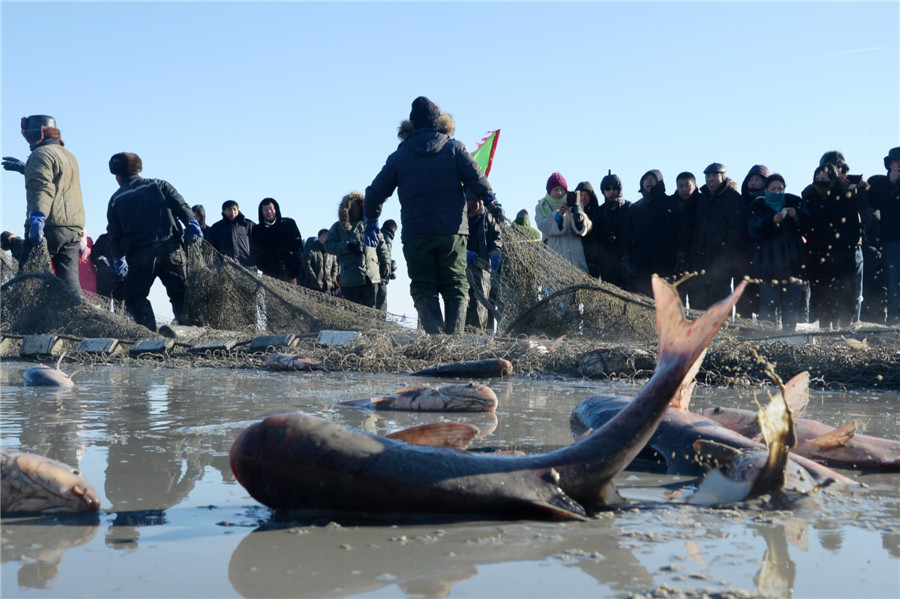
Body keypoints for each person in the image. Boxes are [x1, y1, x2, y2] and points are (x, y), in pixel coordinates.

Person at [363, 96, 498, 334]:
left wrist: (372, 221)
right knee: (456, 284)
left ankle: (437, 340)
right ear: (438, 122)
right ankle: (453, 341)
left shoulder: (400, 156)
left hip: (417, 234)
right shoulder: (454, 148)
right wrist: (492, 201)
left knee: (424, 287)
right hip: (452, 232)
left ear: (411, 125)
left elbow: (375, 193)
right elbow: (477, 179)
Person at [105, 152, 203, 331]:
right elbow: (181, 205)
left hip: (140, 257)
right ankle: (190, 334)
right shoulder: (159, 185)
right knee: (181, 295)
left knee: (135, 297)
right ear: (138, 169)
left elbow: (114, 235)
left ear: (118, 176)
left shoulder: (115, 200)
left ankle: (148, 336)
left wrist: (119, 258)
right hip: (171, 250)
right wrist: (192, 223)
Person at [3, 115, 85, 297]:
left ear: (35, 134)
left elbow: (43, 187)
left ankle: (30, 325)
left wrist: (38, 217)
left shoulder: (40, 155)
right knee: (70, 288)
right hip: (72, 230)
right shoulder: (68, 155)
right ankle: (76, 321)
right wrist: (27, 169)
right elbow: (58, 182)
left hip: (49, 227)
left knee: (27, 283)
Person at [801, 163, 863, 329]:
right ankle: (824, 331)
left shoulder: (843, 195)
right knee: (821, 296)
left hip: (842, 254)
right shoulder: (808, 196)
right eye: (818, 177)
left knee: (843, 294)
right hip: (817, 254)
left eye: (825, 177)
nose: (821, 180)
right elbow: (806, 224)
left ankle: (844, 331)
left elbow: (852, 223)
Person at [746, 174, 808, 331]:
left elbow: (809, 226)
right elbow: (753, 229)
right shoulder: (758, 205)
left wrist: (797, 217)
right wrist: (771, 222)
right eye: (772, 189)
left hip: (792, 263)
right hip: (767, 263)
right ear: (766, 189)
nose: (777, 192)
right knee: (768, 304)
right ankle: (767, 339)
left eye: (780, 188)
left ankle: (789, 337)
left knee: (791, 304)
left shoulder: (795, 202)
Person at [621, 170, 687, 297]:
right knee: (644, 308)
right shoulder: (635, 209)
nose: (649, 181)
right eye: (646, 179)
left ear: (660, 182)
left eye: (653, 178)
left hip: (666, 267)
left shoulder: (672, 204)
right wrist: (625, 258)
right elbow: (626, 237)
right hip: (641, 269)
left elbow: (682, 234)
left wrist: (681, 255)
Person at [689, 162, 745, 310]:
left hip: (722, 259)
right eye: (707, 176)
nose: (710, 180)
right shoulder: (702, 198)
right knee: (698, 296)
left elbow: (736, 229)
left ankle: (722, 330)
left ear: (723, 177)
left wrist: (724, 251)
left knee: (719, 296)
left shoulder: (733, 198)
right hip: (701, 256)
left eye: (714, 176)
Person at [326, 192, 390, 308]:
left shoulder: (370, 226)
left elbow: (381, 245)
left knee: (370, 312)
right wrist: (347, 247)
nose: (355, 210)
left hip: (371, 276)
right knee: (352, 313)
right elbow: (329, 246)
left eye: (358, 207)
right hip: (350, 279)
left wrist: (386, 263)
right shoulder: (338, 227)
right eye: (352, 207)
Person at [866, 146, 900, 324]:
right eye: (897, 162)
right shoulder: (880, 182)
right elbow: (874, 204)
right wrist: (891, 183)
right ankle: (894, 328)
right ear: (890, 164)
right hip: (891, 242)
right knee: (894, 290)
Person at [534, 172, 592, 272]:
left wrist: (579, 217)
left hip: (576, 259)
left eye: (562, 189)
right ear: (549, 191)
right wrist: (558, 216)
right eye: (556, 189)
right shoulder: (542, 206)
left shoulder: (575, 204)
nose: (559, 192)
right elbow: (542, 225)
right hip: (554, 259)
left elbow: (587, 227)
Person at [465, 190, 502, 331]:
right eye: (473, 201)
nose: (477, 204)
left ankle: (480, 337)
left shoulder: (487, 216)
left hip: (482, 269)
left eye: (480, 201)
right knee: (463, 303)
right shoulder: (457, 216)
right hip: (462, 267)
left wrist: (495, 251)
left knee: (481, 305)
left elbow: (496, 237)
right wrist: (462, 252)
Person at [737, 165, 770, 317]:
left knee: (764, 299)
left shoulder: (770, 202)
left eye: (758, 179)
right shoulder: (740, 202)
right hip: (743, 257)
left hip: (765, 256)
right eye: (751, 179)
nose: (753, 182)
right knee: (743, 298)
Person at [251, 197, 302, 283]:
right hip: (270, 273)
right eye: (265, 210)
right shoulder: (257, 230)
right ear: (261, 212)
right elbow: (256, 251)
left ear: (276, 209)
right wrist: (263, 266)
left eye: (271, 208)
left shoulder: (289, 223)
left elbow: (298, 245)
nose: (269, 212)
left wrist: (294, 262)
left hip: (291, 272)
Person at [207, 200, 255, 268]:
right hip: (226, 267)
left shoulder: (248, 225)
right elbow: (211, 247)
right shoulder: (217, 227)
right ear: (223, 211)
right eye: (229, 210)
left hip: (248, 266)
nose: (232, 212)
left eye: (234, 209)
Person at [302, 228, 339, 295]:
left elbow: (335, 267)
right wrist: (314, 278)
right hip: (313, 286)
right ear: (319, 237)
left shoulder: (331, 252)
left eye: (328, 237)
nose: (326, 239)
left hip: (328, 286)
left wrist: (332, 279)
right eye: (324, 237)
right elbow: (306, 264)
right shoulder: (311, 249)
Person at [375, 220, 398, 312]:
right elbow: (385, 258)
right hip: (381, 279)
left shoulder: (378, 235)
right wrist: (388, 272)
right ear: (393, 229)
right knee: (381, 308)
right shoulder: (387, 238)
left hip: (375, 276)